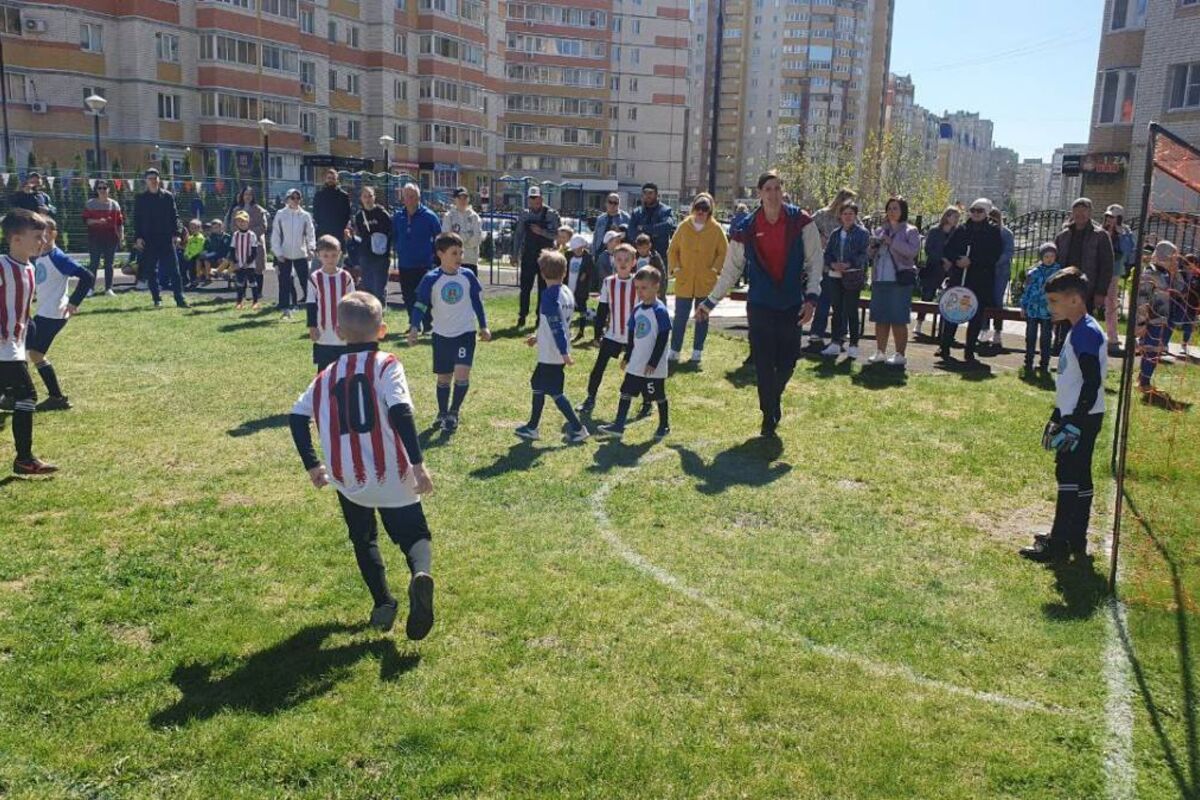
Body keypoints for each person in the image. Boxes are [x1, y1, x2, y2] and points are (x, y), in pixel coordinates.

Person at [289, 291, 436, 638]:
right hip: (393, 472)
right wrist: (417, 463)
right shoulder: (387, 364)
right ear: (382, 330)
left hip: (348, 478)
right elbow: (401, 410)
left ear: (339, 333)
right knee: (414, 535)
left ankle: (383, 602)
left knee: (363, 538)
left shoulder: (325, 376)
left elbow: (296, 417)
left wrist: (312, 465)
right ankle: (420, 574)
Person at [695, 170, 822, 437]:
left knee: (788, 362)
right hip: (761, 305)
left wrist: (811, 298)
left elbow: (814, 261)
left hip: (791, 305)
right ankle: (768, 413)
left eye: (777, 188)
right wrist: (709, 303)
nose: (773, 194)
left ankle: (773, 398)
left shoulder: (801, 221)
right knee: (764, 363)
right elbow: (731, 270)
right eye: (768, 189)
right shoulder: (747, 228)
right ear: (760, 194)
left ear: (782, 191)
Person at [1019, 268, 1107, 562]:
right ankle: (1073, 538)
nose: (1050, 307)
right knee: (1077, 475)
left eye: (1054, 301)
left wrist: (1074, 421)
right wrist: (1060, 413)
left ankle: (1059, 543)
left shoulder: (1086, 333)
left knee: (1069, 474)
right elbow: (1074, 380)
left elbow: (1092, 381)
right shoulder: (1078, 328)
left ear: (1074, 300)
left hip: (1083, 417)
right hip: (1079, 414)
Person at [408, 232, 491, 433]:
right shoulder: (431, 279)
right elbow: (420, 305)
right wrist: (413, 327)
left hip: (465, 333)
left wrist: (483, 326)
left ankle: (454, 412)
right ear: (440, 254)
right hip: (442, 336)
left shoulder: (468, 276)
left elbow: (477, 302)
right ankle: (442, 412)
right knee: (444, 378)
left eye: (461, 253)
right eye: (454, 253)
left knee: (462, 376)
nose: (459, 257)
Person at [0, 210, 58, 474]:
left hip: (15, 346)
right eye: (36, 236)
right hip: (3, 347)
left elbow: (22, 309)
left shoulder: (31, 268)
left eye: (44, 236)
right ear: (15, 240)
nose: (42, 241)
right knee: (27, 396)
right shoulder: (2, 265)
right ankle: (24, 459)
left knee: (17, 396)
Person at [514, 249, 589, 443]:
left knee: (556, 392)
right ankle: (532, 427)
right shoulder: (567, 293)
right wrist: (538, 336)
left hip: (552, 353)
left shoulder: (549, 296)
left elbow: (556, 326)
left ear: (542, 273)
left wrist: (563, 352)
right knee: (536, 383)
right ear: (564, 273)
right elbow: (556, 322)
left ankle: (578, 429)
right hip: (553, 351)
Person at [24, 217, 93, 411]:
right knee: (32, 353)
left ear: (54, 234)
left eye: (44, 232)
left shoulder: (58, 257)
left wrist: (73, 302)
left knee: (26, 352)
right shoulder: (39, 257)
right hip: (45, 312)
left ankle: (20, 395)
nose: (40, 237)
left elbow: (87, 277)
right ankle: (55, 397)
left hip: (53, 314)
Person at [597, 265, 673, 439]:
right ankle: (618, 425)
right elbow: (631, 338)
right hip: (636, 363)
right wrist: (627, 356)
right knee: (626, 392)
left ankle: (664, 425)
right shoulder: (637, 309)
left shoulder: (660, 311)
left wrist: (653, 362)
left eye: (644, 288)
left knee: (658, 395)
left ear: (656, 286)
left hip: (652, 367)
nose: (640, 292)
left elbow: (662, 339)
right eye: (637, 288)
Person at [938, 198, 1003, 366]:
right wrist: (958, 260)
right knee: (953, 312)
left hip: (979, 280)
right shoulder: (962, 229)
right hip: (960, 278)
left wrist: (972, 261)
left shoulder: (993, 232)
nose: (975, 214)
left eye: (979, 211)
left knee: (975, 316)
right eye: (973, 210)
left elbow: (994, 255)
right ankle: (945, 346)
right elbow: (948, 248)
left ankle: (969, 351)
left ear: (987, 212)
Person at [578, 243, 639, 416]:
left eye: (627, 259)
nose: (623, 262)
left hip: (633, 336)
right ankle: (590, 398)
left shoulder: (638, 282)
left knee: (638, 370)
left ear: (634, 262)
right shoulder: (608, 282)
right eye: (619, 259)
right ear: (613, 261)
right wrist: (598, 334)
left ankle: (647, 402)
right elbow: (602, 309)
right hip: (612, 334)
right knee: (598, 368)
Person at [666, 193, 727, 364]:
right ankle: (674, 351)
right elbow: (672, 250)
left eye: (705, 208)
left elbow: (723, 252)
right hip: (684, 280)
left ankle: (697, 352)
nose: (701, 212)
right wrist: (677, 269)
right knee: (680, 317)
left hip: (705, 282)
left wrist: (714, 269)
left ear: (710, 210)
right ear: (693, 208)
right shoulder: (684, 226)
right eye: (698, 207)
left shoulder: (716, 229)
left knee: (702, 317)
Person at [867, 196, 920, 366]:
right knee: (880, 317)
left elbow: (912, 252)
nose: (891, 212)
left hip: (899, 280)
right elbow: (870, 254)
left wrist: (892, 242)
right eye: (889, 208)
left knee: (898, 318)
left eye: (895, 208)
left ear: (903, 210)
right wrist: (874, 246)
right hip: (880, 278)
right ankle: (880, 351)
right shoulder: (880, 230)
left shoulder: (910, 231)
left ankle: (900, 354)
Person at [806, 188, 858, 350]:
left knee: (841, 303)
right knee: (824, 299)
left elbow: (861, 233)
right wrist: (818, 237)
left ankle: (841, 333)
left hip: (844, 266)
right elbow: (807, 227)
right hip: (826, 264)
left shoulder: (851, 218)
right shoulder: (823, 215)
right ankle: (817, 333)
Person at [1135, 240, 1188, 395]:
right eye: (1172, 258)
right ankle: (1143, 382)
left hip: (1166, 318)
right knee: (1151, 350)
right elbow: (1142, 300)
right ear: (1163, 256)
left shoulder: (1169, 274)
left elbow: (1181, 289)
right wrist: (1142, 322)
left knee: (1157, 351)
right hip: (1153, 319)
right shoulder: (1150, 273)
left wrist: (1176, 272)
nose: (1175, 261)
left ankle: (1144, 379)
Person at [819, 201, 870, 360]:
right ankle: (835, 342)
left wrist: (849, 264)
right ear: (840, 216)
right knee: (837, 310)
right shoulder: (835, 233)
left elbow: (863, 255)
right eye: (845, 213)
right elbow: (827, 253)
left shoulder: (862, 233)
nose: (848, 217)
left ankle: (853, 344)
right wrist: (832, 264)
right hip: (835, 275)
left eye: (851, 214)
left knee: (851, 310)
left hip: (852, 276)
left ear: (855, 216)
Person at [134, 168, 188, 308]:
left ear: (159, 180)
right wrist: (138, 237)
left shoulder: (168, 196)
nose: (153, 181)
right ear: (146, 181)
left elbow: (175, 216)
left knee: (174, 271)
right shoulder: (141, 199)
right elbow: (136, 220)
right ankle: (156, 298)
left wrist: (177, 234)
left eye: (155, 178)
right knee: (151, 271)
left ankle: (180, 299)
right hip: (149, 239)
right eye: (150, 178)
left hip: (166, 239)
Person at [392, 183, 441, 331]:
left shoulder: (429, 216)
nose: (409, 199)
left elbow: (439, 238)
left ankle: (427, 324)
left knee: (424, 296)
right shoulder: (398, 216)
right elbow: (394, 235)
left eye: (412, 196)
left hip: (424, 264)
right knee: (408, 296)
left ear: (419, 197)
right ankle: (413, 324)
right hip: (405, 263)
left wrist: (436, 260)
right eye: (406, 196)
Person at [1053, 197, 1114, 316]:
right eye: (1077, 210)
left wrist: (1101, 292)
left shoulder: (1100, 236)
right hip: (1066, 289)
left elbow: (1107, 266)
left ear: (1090, 212)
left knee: (1083, 325)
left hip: (1087, 291)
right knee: (1064, 327)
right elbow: (1055, 262)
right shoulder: (1063, 236)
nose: (1080, 214)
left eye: (1083, 210)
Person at [512, 186, 561, 328]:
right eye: (531, 199)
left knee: (543, 288)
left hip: (545, 257)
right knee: (525, 287)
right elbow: (518, 236)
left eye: (537, 198)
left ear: (541, 198)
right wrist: (514, 255)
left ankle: (540, 318)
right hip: (528, 255)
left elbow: (558, 235)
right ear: (528, 200)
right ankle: (522, 315)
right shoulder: (524, 215)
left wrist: (541, 232)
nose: (534, 202)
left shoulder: (551, 214)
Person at [306, 235, 355, 372]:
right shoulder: (315, 278)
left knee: (344, 368)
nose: (330, 259)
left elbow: (352, 304)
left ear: (340, 255)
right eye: (325, 255)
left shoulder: (346, 277)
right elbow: (311, 304)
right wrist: (312, 327)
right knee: (324, 369)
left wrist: (348, 327)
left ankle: (343, 391)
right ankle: (322, 391)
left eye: (334, 255)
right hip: (323, 331)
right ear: (318, 255)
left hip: (342, 331)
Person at [271, 187, 316, 320]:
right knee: (285, 282)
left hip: (301, 254)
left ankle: (311, 305)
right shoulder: (280, 214)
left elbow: (310, 233)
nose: (296, 200)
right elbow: (276, 235)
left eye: (298, 198)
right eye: (293, 198)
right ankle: (285, 307)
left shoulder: (305, 215)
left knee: (305, 281)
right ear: (287, 199)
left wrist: (311, 248)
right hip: (284, 255)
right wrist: (278, 252)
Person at [346, 186, 394, 310]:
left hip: (381, 257)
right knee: (368, 286)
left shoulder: (382, 213)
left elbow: (390, 233)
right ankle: (369, 315)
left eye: (370, 196)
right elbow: (359, 236)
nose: (368, 199)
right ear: (361, 198)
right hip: (366, 256)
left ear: (374, 197)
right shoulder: (359, 216)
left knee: (379, 287)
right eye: (365, 196)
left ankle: (380, 312)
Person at [915, 207, 959, 337]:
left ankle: (943, 328)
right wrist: (941, 259)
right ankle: (919, 323)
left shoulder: (957, 232)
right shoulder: (935, 231)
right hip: (934, 267)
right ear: (947, 216)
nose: (957, 220)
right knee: (927, 295)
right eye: (955, 216)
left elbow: (958, 248)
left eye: (958, 217)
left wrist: (950, 261)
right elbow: (929, 248)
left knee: (948, 298)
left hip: (949, 269)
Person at [1019, 243, 1061, 375]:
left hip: (1047, 311)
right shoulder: (1034, 272)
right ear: (1041, 257)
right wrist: (1023, 306)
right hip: (1032, 309)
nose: (1049, 259)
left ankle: (1044, 363)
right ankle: (1028, 361)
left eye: (1052, 256)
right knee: (1030, 336)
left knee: (1046, 338)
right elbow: (1027, 290)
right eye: (1046, 256)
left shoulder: (1058, 273)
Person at [1102, 203, 1136, 356]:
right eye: (1107, 216)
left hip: (1114, 271)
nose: (1109, 219)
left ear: (1119, 218)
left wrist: (1120, 233)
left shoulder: (1125, 232)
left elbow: (1128, 251)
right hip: (1099, 269)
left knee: (1111, 305)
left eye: (1112, 217)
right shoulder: (1100, 230)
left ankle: (1113, 338)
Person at [82, 180, 123, 296]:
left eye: (105, 188)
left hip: (111, 238)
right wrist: (98, 221)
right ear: (96, 190)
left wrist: (121, 237)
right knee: (93, 264)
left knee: (109, 264)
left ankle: (108, 288)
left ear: (109, 190)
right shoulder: (90, 204)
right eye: (100, 188)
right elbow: (86, 221)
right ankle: (90, 288)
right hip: (94, 238)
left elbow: (120, 223)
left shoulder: (115, 204)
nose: (102, 190)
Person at [627, 182, 676, 272]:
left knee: (660, 284)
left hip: (659, 255)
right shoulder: (636, 212)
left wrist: (644, 228)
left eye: (650, 193)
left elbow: (667, 226)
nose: (647, 195)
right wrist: (645, 241)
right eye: (645, 193)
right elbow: (631, 232)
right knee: (637, 284)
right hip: (639, 256)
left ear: (656, 194)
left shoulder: (665, 210)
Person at [226, 186, 270, 279]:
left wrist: (249, 234)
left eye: (250, 194)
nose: (248, 196)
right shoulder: (236, 210)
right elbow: (232, 226)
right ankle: (241, 292)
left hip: (256, 243)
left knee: (257, 270)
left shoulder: (259, 210)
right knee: (241, 270)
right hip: (240, 244)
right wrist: (242, 233)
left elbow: (263, 226)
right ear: (242, 196)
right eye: (246, 194)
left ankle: (258, 293)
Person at [312, 169, 352, 269]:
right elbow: (316, 214)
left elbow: (347, 215)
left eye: (333, 178)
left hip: (338, 234)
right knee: (319, 265)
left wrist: (341, 228)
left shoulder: (343, 196)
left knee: (337, 265)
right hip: (322, 233)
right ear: (325, 179)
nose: (331, 180)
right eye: (329, 178)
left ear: (337, 180)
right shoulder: (319, 195)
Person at [986, 208, 1014, 346]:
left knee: (997, 301)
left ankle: (997, 332)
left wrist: (995, 262)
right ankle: (984, 329)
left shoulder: (1006, 233)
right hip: (985, 271)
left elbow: (1008, 252)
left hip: (1000, 272)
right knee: (984, 299)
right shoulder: (985, 232)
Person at [442, 187, 482, 271]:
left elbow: (477, 238)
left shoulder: (475, 217)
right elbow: (447, 239)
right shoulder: (449, 217)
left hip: (470, 261)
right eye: (459, 198)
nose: (462, 201)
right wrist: (468, 235)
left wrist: (458, 238)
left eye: (465, 198)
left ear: (468, 199)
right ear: (454, 200)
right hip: (453, 261)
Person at [230, 210, 261, 310]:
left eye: (243, 221)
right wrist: (235, 262)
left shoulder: (251, 235)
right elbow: (232, 250)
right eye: (238, 221)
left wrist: (247, 263)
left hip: (249, 264)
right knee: (239, 283)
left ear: (248, 222)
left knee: (252, 282)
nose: (241, 223)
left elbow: (254, 251)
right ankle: (239, 301)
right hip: (239, 264)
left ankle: (255, 301)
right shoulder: (235, 235)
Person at [565, 233, 594, 340]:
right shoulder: (568, 255)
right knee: (567, 310)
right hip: (568, 288)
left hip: (581, 290)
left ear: (582, 247)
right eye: (574, 249)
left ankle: (581, 330)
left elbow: (592, 271)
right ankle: (566, 329)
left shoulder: (588, 258)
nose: (575, 251)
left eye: (578, 249)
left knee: (582, 310)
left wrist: (586, 274)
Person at [592, 193, 630, 261]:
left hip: (617, 253)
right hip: (600, 252)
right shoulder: (600, 219)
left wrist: (619, 232)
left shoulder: (626, 218)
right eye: (610, 202)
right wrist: (593, 254)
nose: (612, 205)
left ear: (619, 204)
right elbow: (595, 236)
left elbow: (630, 235)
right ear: (606, 203)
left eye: (615, 203)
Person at [633, 233, 666, 301]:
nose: (642, 250)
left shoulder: (655, 257)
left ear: (649, 245)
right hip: (638, 288)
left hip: (650, 287)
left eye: (644, 248)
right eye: (639, 248)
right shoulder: (634, 257)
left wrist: (660, 290)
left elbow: (662, 274)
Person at [198, 218, 231, 284]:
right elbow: (207, 248)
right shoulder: (211, 237)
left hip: (224, 256)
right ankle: (207, 278)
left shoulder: (227, 237)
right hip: (214, 255)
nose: (214, 229)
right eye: (213, 228)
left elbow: (230, 249)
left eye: (216, 227)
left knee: (222, 260)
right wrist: (204, 253)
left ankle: (222, 274)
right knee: (203, 258)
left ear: (221, 227)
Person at [181, 219, 206, 290]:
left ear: (199, 228)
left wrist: (189, 255)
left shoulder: (200, 238)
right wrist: (186, 254)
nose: (193, 229)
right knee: (182, 264)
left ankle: (194, 281)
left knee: (192, 266)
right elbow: (187, 247)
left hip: (197, 256)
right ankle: (185, 280)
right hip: (190, 256)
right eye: (191, 228)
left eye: (195, 228)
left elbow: (198, 249)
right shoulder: (190, 238)